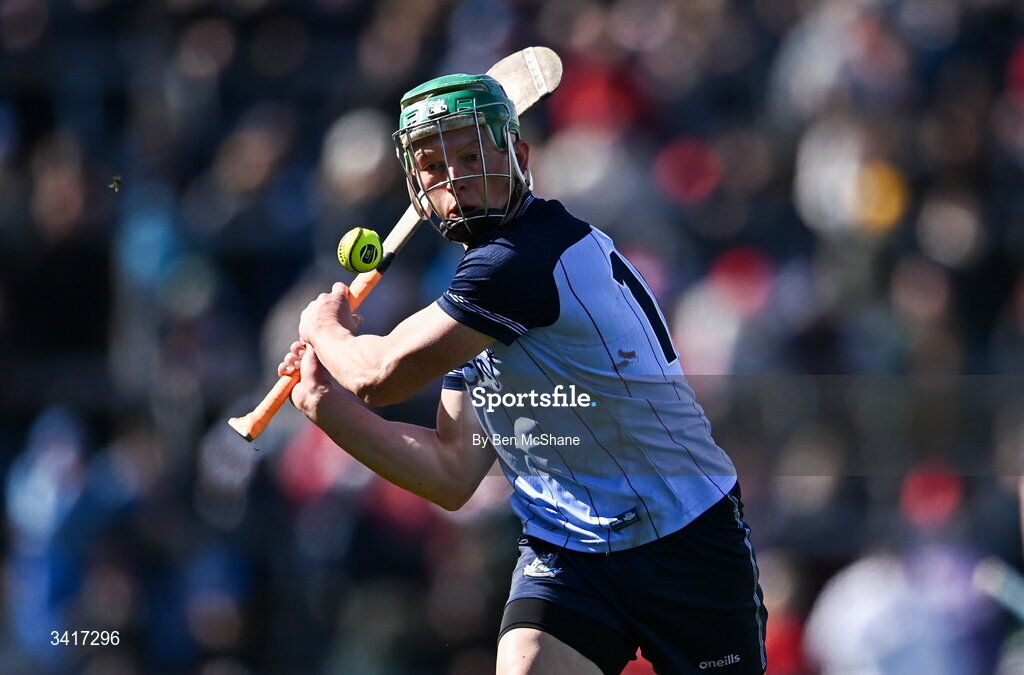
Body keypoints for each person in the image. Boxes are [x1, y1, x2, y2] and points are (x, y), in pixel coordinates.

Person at [278, 73, 768, 674]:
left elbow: (380, 376)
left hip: (683, 537)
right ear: (416, 186)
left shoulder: (518, 261)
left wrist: (325, 329)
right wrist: (325, 406)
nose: (454, 177)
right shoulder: (470, 292)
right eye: (433, 164)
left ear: (519, 156)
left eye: (470, 154)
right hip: (568, 550)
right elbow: (451, 472)